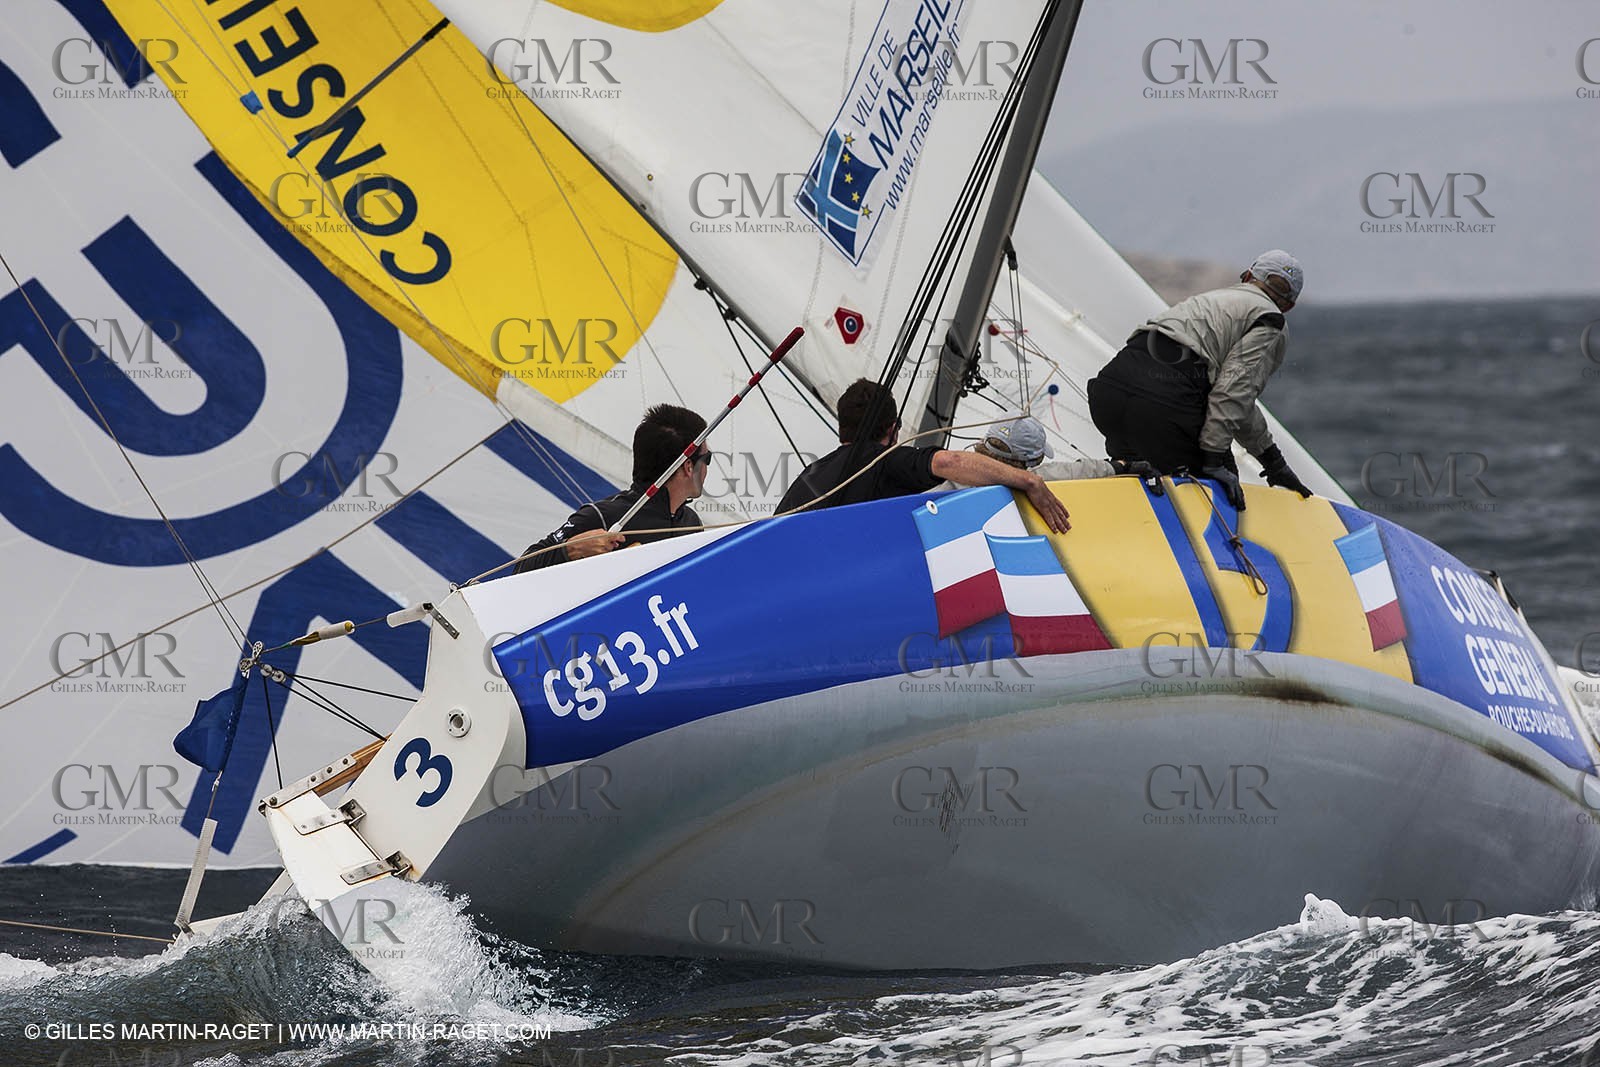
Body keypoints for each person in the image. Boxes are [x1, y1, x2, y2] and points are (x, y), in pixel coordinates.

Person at [1086, 250, 1314, 510]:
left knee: (1138, 480)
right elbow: (1232, 394)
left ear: (1248, 276)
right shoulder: (1270, 321)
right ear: (1289, 306)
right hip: (1162, 403)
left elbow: (1238, 402)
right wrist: (1214, 462)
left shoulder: (1212, 298)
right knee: (1221, 493)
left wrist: (1272, 461)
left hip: (1109, 392)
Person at [775, 379, 1072, 533]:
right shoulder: (884, 459)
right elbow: (949, 462)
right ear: (893, 429)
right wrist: (1029, 481)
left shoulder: (811, 472)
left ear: (842, 428)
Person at [514, 404, 709, 572]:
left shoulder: (691, 522)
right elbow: (521, 568)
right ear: (688, 467)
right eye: (706, 459)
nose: (708, 467)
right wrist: (571, 549)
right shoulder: (603, 516)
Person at [931, 415, 1115, 492]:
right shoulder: (1029, 482)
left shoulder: (946, 479)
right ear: (1033, 461)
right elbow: (1070, 472)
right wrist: (1114, 467)